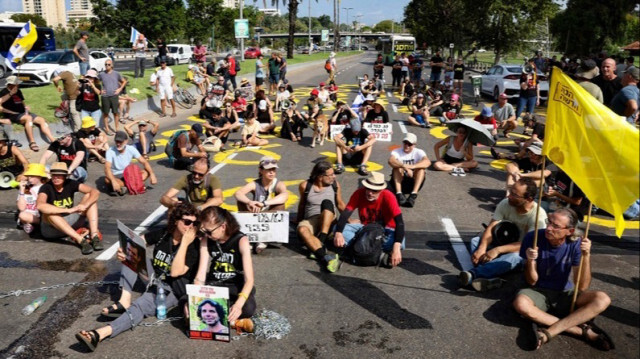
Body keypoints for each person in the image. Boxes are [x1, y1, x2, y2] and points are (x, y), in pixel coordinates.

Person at [76, 203, 201, 352]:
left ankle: (99, 334)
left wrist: (185, 243)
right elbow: (136, 242)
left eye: (195, 223)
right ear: (176, 221)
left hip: (171, 288)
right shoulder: (165, 234)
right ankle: (124, 300)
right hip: (155, 276)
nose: (191, 227)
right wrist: (124, 252)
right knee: (132, 255)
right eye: (187, 222)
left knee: (140, 306)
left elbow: (175, 272)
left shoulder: (194, 246)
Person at [513, 208, 614, 351]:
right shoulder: (533, 237)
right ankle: (580, 331)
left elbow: (583, 286)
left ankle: (550, 331)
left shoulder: (576, 243)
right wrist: (530, 260)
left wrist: (586, 255)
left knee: (603, 299)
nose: (548, 228)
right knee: (521, 304)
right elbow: (532, 281)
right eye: (549, 222)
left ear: (570, 231)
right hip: (538, 290)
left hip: (564, 292)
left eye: (555, 226)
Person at [458, 177, 547, 291]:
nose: (509, 196)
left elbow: (527, 244)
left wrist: (497, 250)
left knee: (515, 257)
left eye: (515, 195)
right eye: (510, 191)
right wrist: (482, 248)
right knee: (476, 241)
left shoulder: (538, 216)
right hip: (500, 241)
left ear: (529, 199)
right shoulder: (506, 203)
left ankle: (473, 275)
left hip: (519, 251)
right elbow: (491, 227)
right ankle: (492, 276)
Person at [192, 206, 257, 330]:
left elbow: (249, 280)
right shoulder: (206, 240)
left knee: (248, 308)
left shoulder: (241, 240)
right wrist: (196, 294)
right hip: (214, 284)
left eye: (209, 231)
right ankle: (233, 322)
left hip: (234, 284)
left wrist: (238, 304)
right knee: (187, 304)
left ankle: (215, 318)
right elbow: (201, 274)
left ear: (223, 226)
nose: (206, 235)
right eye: (204, 231)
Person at [334, 171, 406, 268]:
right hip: (366, 229)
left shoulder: (389, 196)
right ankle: (375, 251)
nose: (370, 193)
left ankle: (360, 247)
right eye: (368, 189)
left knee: (401, 243)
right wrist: (338, 233)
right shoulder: (359, 193)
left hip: (386, 231)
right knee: (336, 229)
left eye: (374, 191)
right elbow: (345, 213)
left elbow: (400, 223)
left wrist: (396, 247)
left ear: (381, 190)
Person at [36, 162, 101, 254]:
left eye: (59, 175)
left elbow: (95, 192)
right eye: (54, 175)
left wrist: (85, 205)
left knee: (90, 198)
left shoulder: (70, 183)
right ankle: (81, 240)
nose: (56, 178)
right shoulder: (46, 187)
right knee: (50, 214)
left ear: (65, 176)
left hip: (70, 221)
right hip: (53, 229)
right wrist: (68, 210)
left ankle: (95, 237)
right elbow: (40, 205)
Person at [296, 161, 345, 272]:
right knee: (302, 229)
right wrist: (298, 219)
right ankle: (325, 257)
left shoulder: (335, 185)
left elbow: (340, 204)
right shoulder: (305, 186)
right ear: (320, 177)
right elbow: (302, 204)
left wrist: (348, 219)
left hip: (329, 218)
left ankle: (321, 239)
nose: (334, 176)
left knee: (327, 203)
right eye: (331, 174)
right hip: (312, 219)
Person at [0, 76, 56, 152]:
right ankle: (32, 142)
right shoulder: (4, 92)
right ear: (10, 84)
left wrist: (25, 107)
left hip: (23, 112)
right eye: (16, 84)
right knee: (28, 118)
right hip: (14, 115)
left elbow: (21, 101)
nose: (18, 85)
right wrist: (11, 94)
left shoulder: (18, 91)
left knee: (41, 120)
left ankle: (53, 140)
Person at [104, 131, 157, 196]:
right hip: (116, 175)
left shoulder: (131, 149)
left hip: (129, 174)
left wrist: (152, 174)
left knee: (147, 172)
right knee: (107, 180)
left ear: (126, 141)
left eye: (120, 142)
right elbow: (107, 168)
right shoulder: (110, 151)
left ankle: (127, 187)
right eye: (117, 141)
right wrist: (113, 181)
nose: (118, 144)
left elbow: (144, 162)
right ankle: (134, 185)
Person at [388, 133, 431, 208]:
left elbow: (427, 162)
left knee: (421, 169)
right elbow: (391, 161)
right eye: (405, 143)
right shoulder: (396, 151)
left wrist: (413, 167)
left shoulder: (419, 152)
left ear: (414, 145)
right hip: (400, 181)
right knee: (397, 168)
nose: (406, 146)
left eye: (409, 144)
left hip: (413, 182)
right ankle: (399, 194)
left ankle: (413, 195)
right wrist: (404, 167)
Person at [16, 163, 47, 234]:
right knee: (22, 215)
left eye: (32, 176)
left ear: (40, 177)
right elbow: (21, 208)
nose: (29, 178)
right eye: (28, 176)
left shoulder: (46, 187)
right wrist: (21, 190)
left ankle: (35, 225)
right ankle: (32, 224)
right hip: (28, 214)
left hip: (41, 215)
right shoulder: (25, 188)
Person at [99, 59, 127, 134]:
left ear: (112, 65)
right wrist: (100, 90)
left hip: (114, 96)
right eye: (105, 64)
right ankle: (107, 129)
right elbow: (96, 81)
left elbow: (124, 81)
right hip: (105, 97)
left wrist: (119, 89)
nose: (107, 66)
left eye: (108, 64)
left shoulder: (116, 73)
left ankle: (117, 128)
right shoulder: (102, 74)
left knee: (115, 113)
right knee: (105, 113)